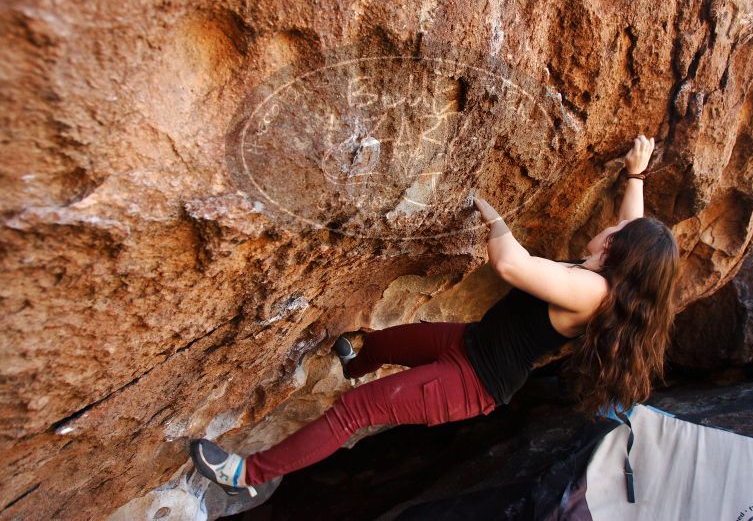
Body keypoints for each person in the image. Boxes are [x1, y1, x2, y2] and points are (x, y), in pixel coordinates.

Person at [189, 134, 680, 498]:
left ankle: (246, 476)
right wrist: (635, 175)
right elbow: (634, 223)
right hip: (467, 343)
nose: (612, 224)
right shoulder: (610, 277)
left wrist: (492, 214)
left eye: (616, 229)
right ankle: (352, 367)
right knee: (380, 344)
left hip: (471, 382)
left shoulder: (592, 290)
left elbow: (511, 264)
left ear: (617, 251)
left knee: (355, 413)